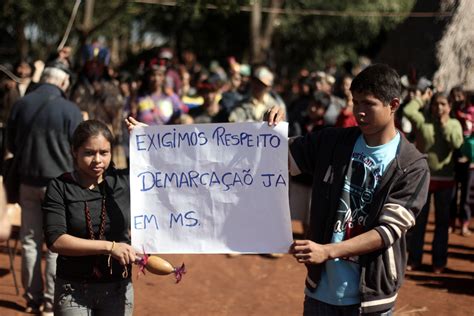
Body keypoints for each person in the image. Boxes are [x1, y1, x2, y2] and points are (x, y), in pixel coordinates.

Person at [266, 64, 430, 315]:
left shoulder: (411, 165)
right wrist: (269, 130)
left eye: (369, 104)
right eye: (356, 103)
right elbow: (275, 157)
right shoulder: (333, 141)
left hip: (370, 299)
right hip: (320, 292)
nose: (359, 112)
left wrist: (327, 251)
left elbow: (387, 231)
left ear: (394, 104)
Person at [6, 61, 83, 314]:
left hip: (27, 181)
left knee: (29, 241)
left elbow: (11, 144)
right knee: (56, 243)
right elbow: (77, 150)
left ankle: (32, 299)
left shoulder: (22, 104)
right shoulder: (71, 110)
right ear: (62, 83)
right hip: (58, 184)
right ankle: (51, 301)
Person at [43, 120, 137, 315]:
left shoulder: (125, 182)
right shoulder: (60, 187)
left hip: (118, 289)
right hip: (73, 290)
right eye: (88, 153)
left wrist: (146, 138)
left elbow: (165, 170)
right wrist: (110, 247)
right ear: (74, 152)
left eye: (104, 153)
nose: (97, 160)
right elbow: (56, 240)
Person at [404, 91, 463, 273]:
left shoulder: (454, 124)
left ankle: (439, 261)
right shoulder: (423, 122)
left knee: (442, 223)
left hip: (445, 180)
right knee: (419, 221)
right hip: (424, 179)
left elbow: (457, 144)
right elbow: (408, 110)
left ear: (449, 107)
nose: (439, 107)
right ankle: (415, 259)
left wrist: (445, 126)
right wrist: (422, 98)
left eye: (443, 104)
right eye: (436, 104)